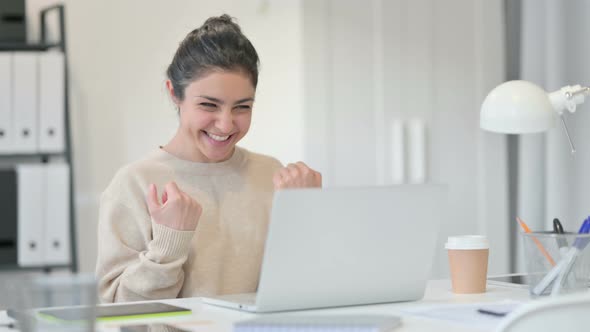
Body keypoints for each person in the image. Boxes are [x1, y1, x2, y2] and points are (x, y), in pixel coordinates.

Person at [95, 14, 322, 303]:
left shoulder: (272, 175)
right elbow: (119, 314)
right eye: (208, 105)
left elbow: (301, 296)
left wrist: (305, 216)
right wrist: (168, 246)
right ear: (174, 93)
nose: (226, 125)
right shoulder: (134, 184)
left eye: (242, 107)